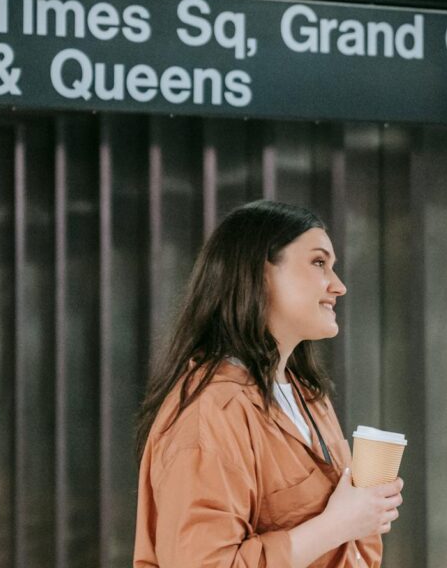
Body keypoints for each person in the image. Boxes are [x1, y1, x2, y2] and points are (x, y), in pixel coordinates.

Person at [133, 200, 403, 567]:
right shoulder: (208, 412)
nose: (338, 286)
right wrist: (336, 525)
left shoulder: (308, 395)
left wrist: (366, 515)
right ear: (259, 274)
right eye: (319, 263)